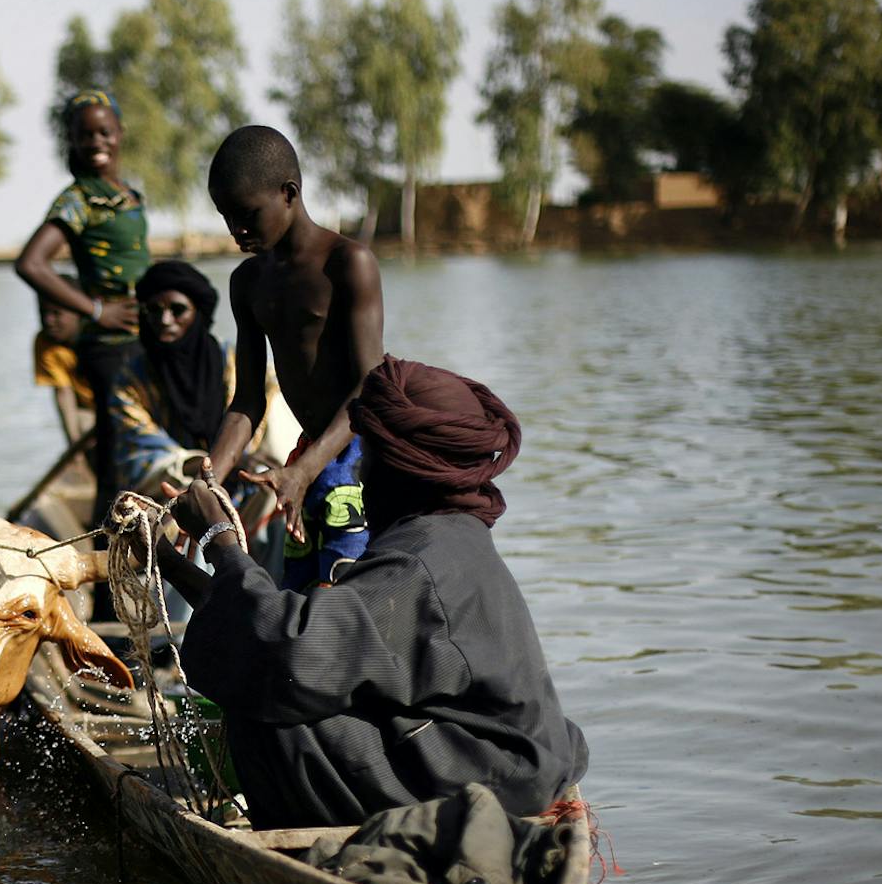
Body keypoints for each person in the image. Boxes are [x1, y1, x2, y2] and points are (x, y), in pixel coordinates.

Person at [158, 356, 589, 831]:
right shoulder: (447, 534)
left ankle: (316, 856)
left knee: (271, 709)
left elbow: (282, 653)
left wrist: (218, 537)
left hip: (490, 781)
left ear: (403, 466)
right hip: (506, 763)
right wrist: (175, 566)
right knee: (282, 672)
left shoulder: (417, 560)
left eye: (370, 454)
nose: (360, 470)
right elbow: (287, 636)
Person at [201, 125, 384, 590]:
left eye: (247, 215)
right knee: (299, 589)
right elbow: (247, 401)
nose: (235, 230)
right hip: (303, 457)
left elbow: (371, 388)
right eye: (226, 217)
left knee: (342, 597)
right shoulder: (247, 282)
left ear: (289, 194)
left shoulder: (347, 263)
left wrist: (305, 471)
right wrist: (209, 481)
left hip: (357, 458)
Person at [15, 90, 150, 527]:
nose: (96, 142)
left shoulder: (128, 194)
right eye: (84, 135)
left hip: (144, 340)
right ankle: (107, 585)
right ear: (71, 142)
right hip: (110, 348)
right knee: (114, 473)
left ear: (120, 133)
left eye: (104, 132)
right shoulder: (77, 200)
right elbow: (31, 263)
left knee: (146, 456)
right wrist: (96, 310)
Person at [101, 260, 230, 500]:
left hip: (241, 484)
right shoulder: (131, 381)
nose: (165, 320)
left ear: (198, 312)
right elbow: (139, 459)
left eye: (178, 310)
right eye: (154, 310)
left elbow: (267, 434)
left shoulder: (235, 362)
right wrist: (210, 463)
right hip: (169, 493)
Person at [32, 272, 91, 443]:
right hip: (89, 413)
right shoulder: (45, 342)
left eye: (56, 313)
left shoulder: (101, 337)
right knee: (82, 423)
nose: (48, 321)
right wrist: (74, 446)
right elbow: (63, 392)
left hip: (121, 411)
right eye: (43, 312)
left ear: (78, 312)